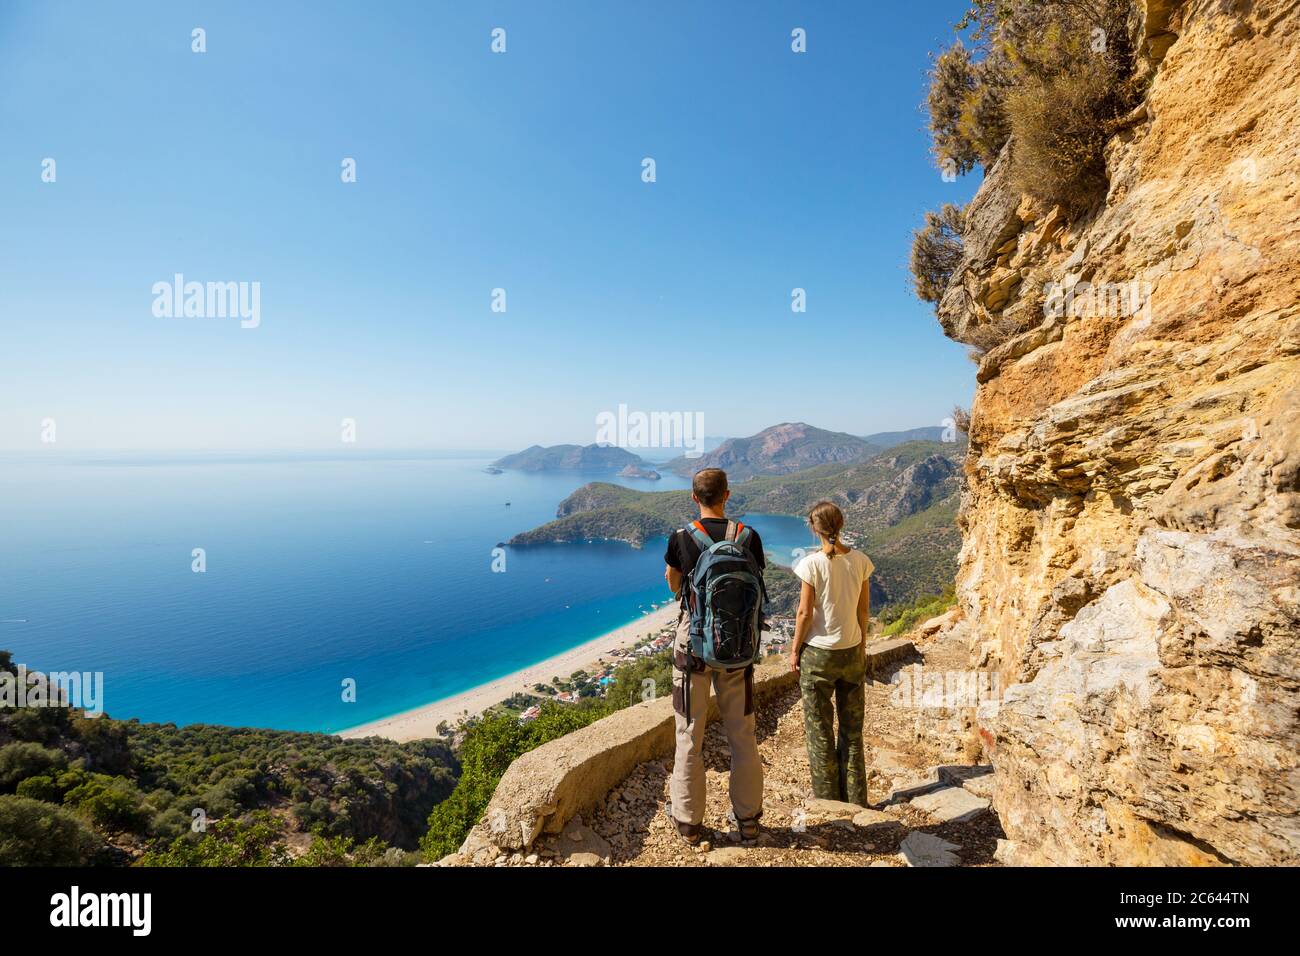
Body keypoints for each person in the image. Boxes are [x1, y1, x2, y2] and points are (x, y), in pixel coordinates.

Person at [664, 467, 766, 845]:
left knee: (689, 734)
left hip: (693, 647)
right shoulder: (749, 536)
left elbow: (674, 584)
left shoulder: (681, 538)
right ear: (727, 495)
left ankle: (689, 822)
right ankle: (749, 819)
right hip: (738, 648)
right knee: (743, 735)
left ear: (694, 498)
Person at [789, 500, 874, 806]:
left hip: (819, 656)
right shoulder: (862, 560)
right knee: (852, 733)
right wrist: (861, 646)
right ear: (842, 524)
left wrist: (795, 650)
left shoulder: (811, 564)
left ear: (815, 529)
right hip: (851, 651)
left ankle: (828, 802)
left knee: (819, 730)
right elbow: (863, 610)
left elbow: (804, 613)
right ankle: (857, 800)